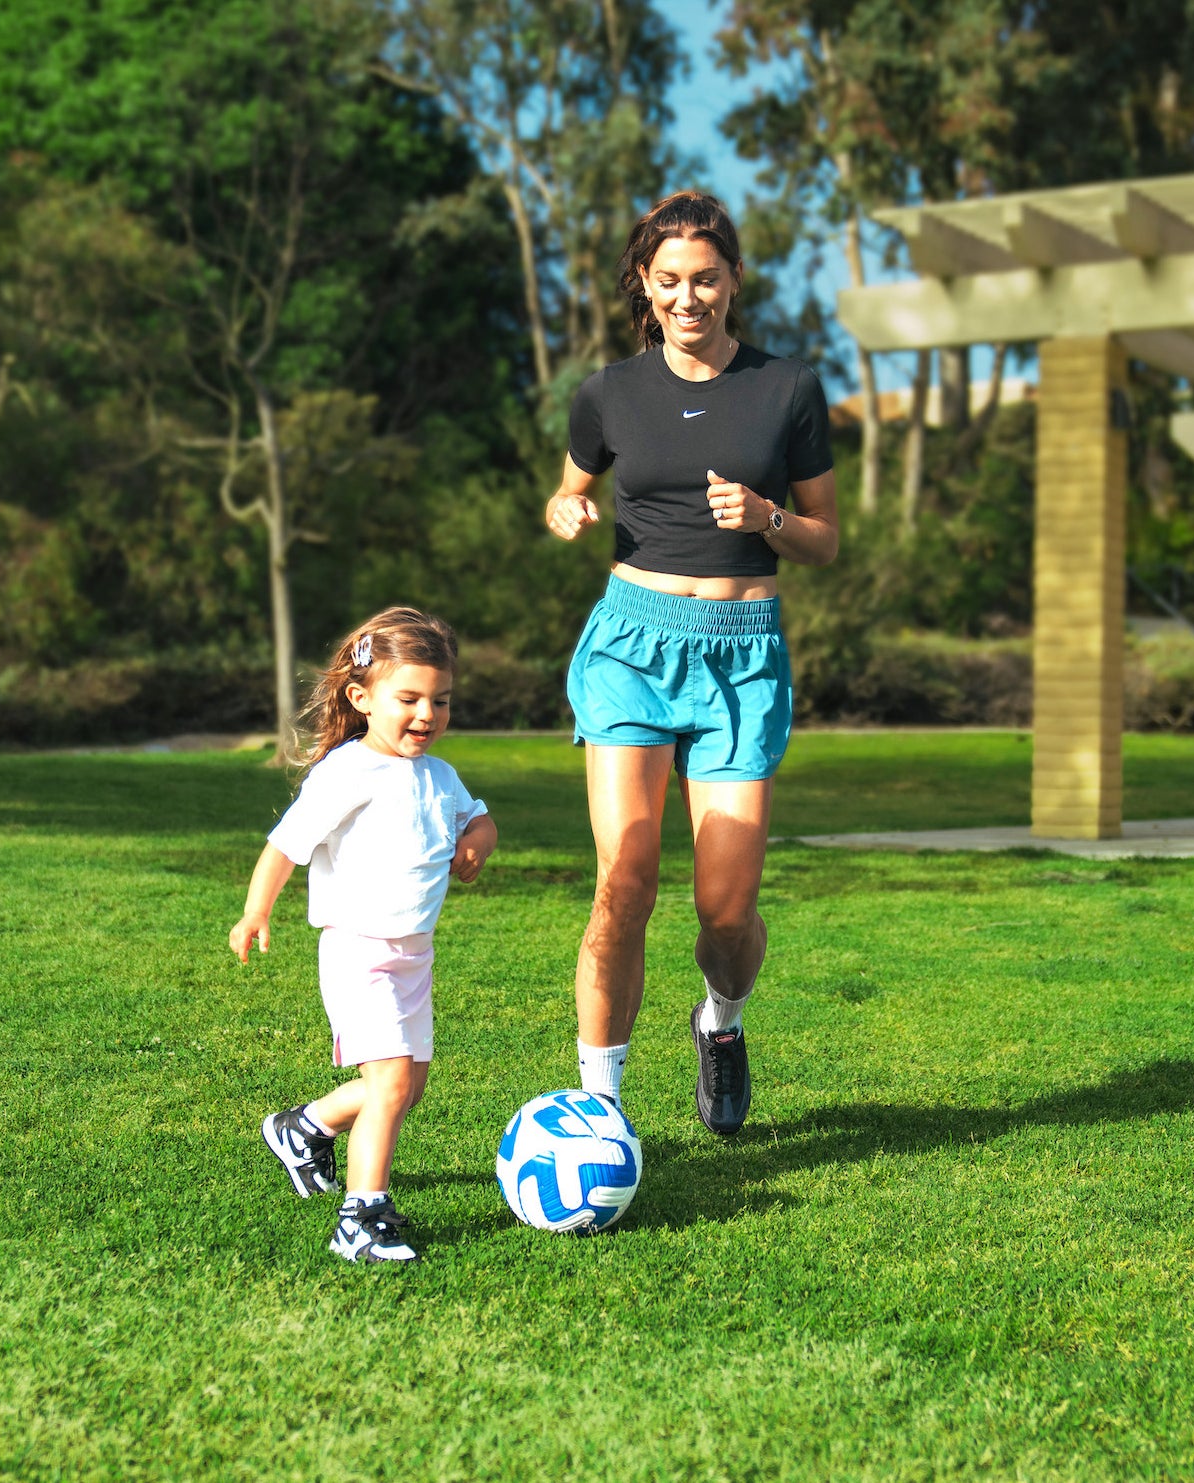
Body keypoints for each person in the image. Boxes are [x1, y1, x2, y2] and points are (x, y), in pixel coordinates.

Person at [545, 190, 838, 1136]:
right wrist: (567, 510)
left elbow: (826, 538)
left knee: (726, 906)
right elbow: (570, 486)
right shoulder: (608, 392)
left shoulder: (786, 389)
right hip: (631, 644)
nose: (687, 297)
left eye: (705, 278)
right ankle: (600, 1107)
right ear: (644, 282)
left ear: (734, 279)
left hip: (741, 657)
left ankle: (721, 1018)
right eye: (668, 280)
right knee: (624, 876)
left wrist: (769, 519)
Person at [229, 607, 498, 1264]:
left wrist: (477, 843)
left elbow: (480, 818)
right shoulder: (346, 772)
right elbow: (285, 845)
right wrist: (255, 910)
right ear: (362, 697)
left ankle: (303, 1128)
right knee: (389, 1084)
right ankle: (361, 1217)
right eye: (408, 698)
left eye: (440, 700)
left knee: (410, 1084)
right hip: (358, 951)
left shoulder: (439, 775)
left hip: (414, 955)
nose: (426, 714)